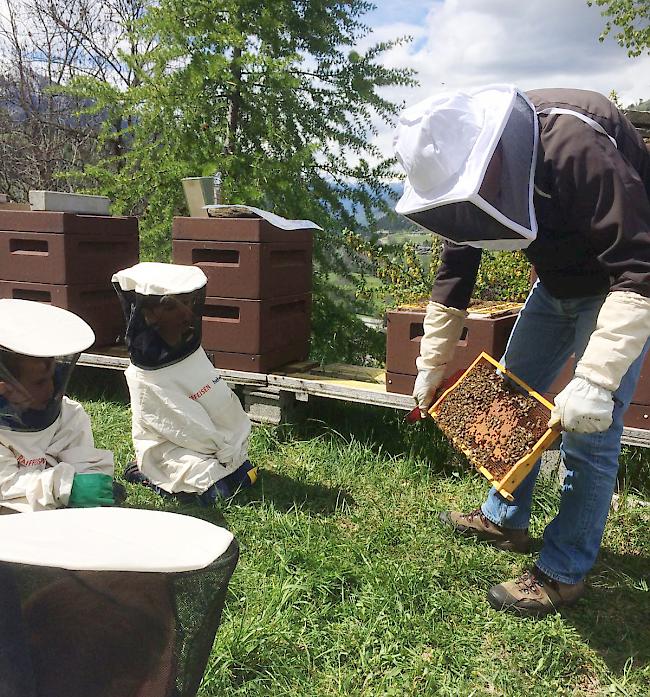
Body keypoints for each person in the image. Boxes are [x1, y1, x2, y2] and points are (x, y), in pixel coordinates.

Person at [393, 85, 650, 617]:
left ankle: (563, 571)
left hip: (619, 284)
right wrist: (432, 365)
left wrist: (597, 379)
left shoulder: (576, 145)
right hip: (555, 283)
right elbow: (454, 275)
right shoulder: (471, 171)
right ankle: (505, 518)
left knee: (589, 432)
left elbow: (640, 266)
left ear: (497, 156)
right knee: (509, 399)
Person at [112, 262, 257, 504]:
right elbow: (186, 428)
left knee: (241, 479)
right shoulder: (144, 379)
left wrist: (233, 445)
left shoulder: (191, 354)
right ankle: (145, 473)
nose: (186, 314)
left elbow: (223, 403)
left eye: (189, 303)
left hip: (214, 447)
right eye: (171, 307)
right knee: (214, 494)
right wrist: (227, 452)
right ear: (147, 314)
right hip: (170, 449)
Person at [0, 299, 118, 512]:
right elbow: (7, 488)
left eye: (53, 376)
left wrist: (91, 481)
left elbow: (84, 461)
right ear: (5, 388)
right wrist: (65, 489)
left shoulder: (70, 415)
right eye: (40, 382)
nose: (52, 387)